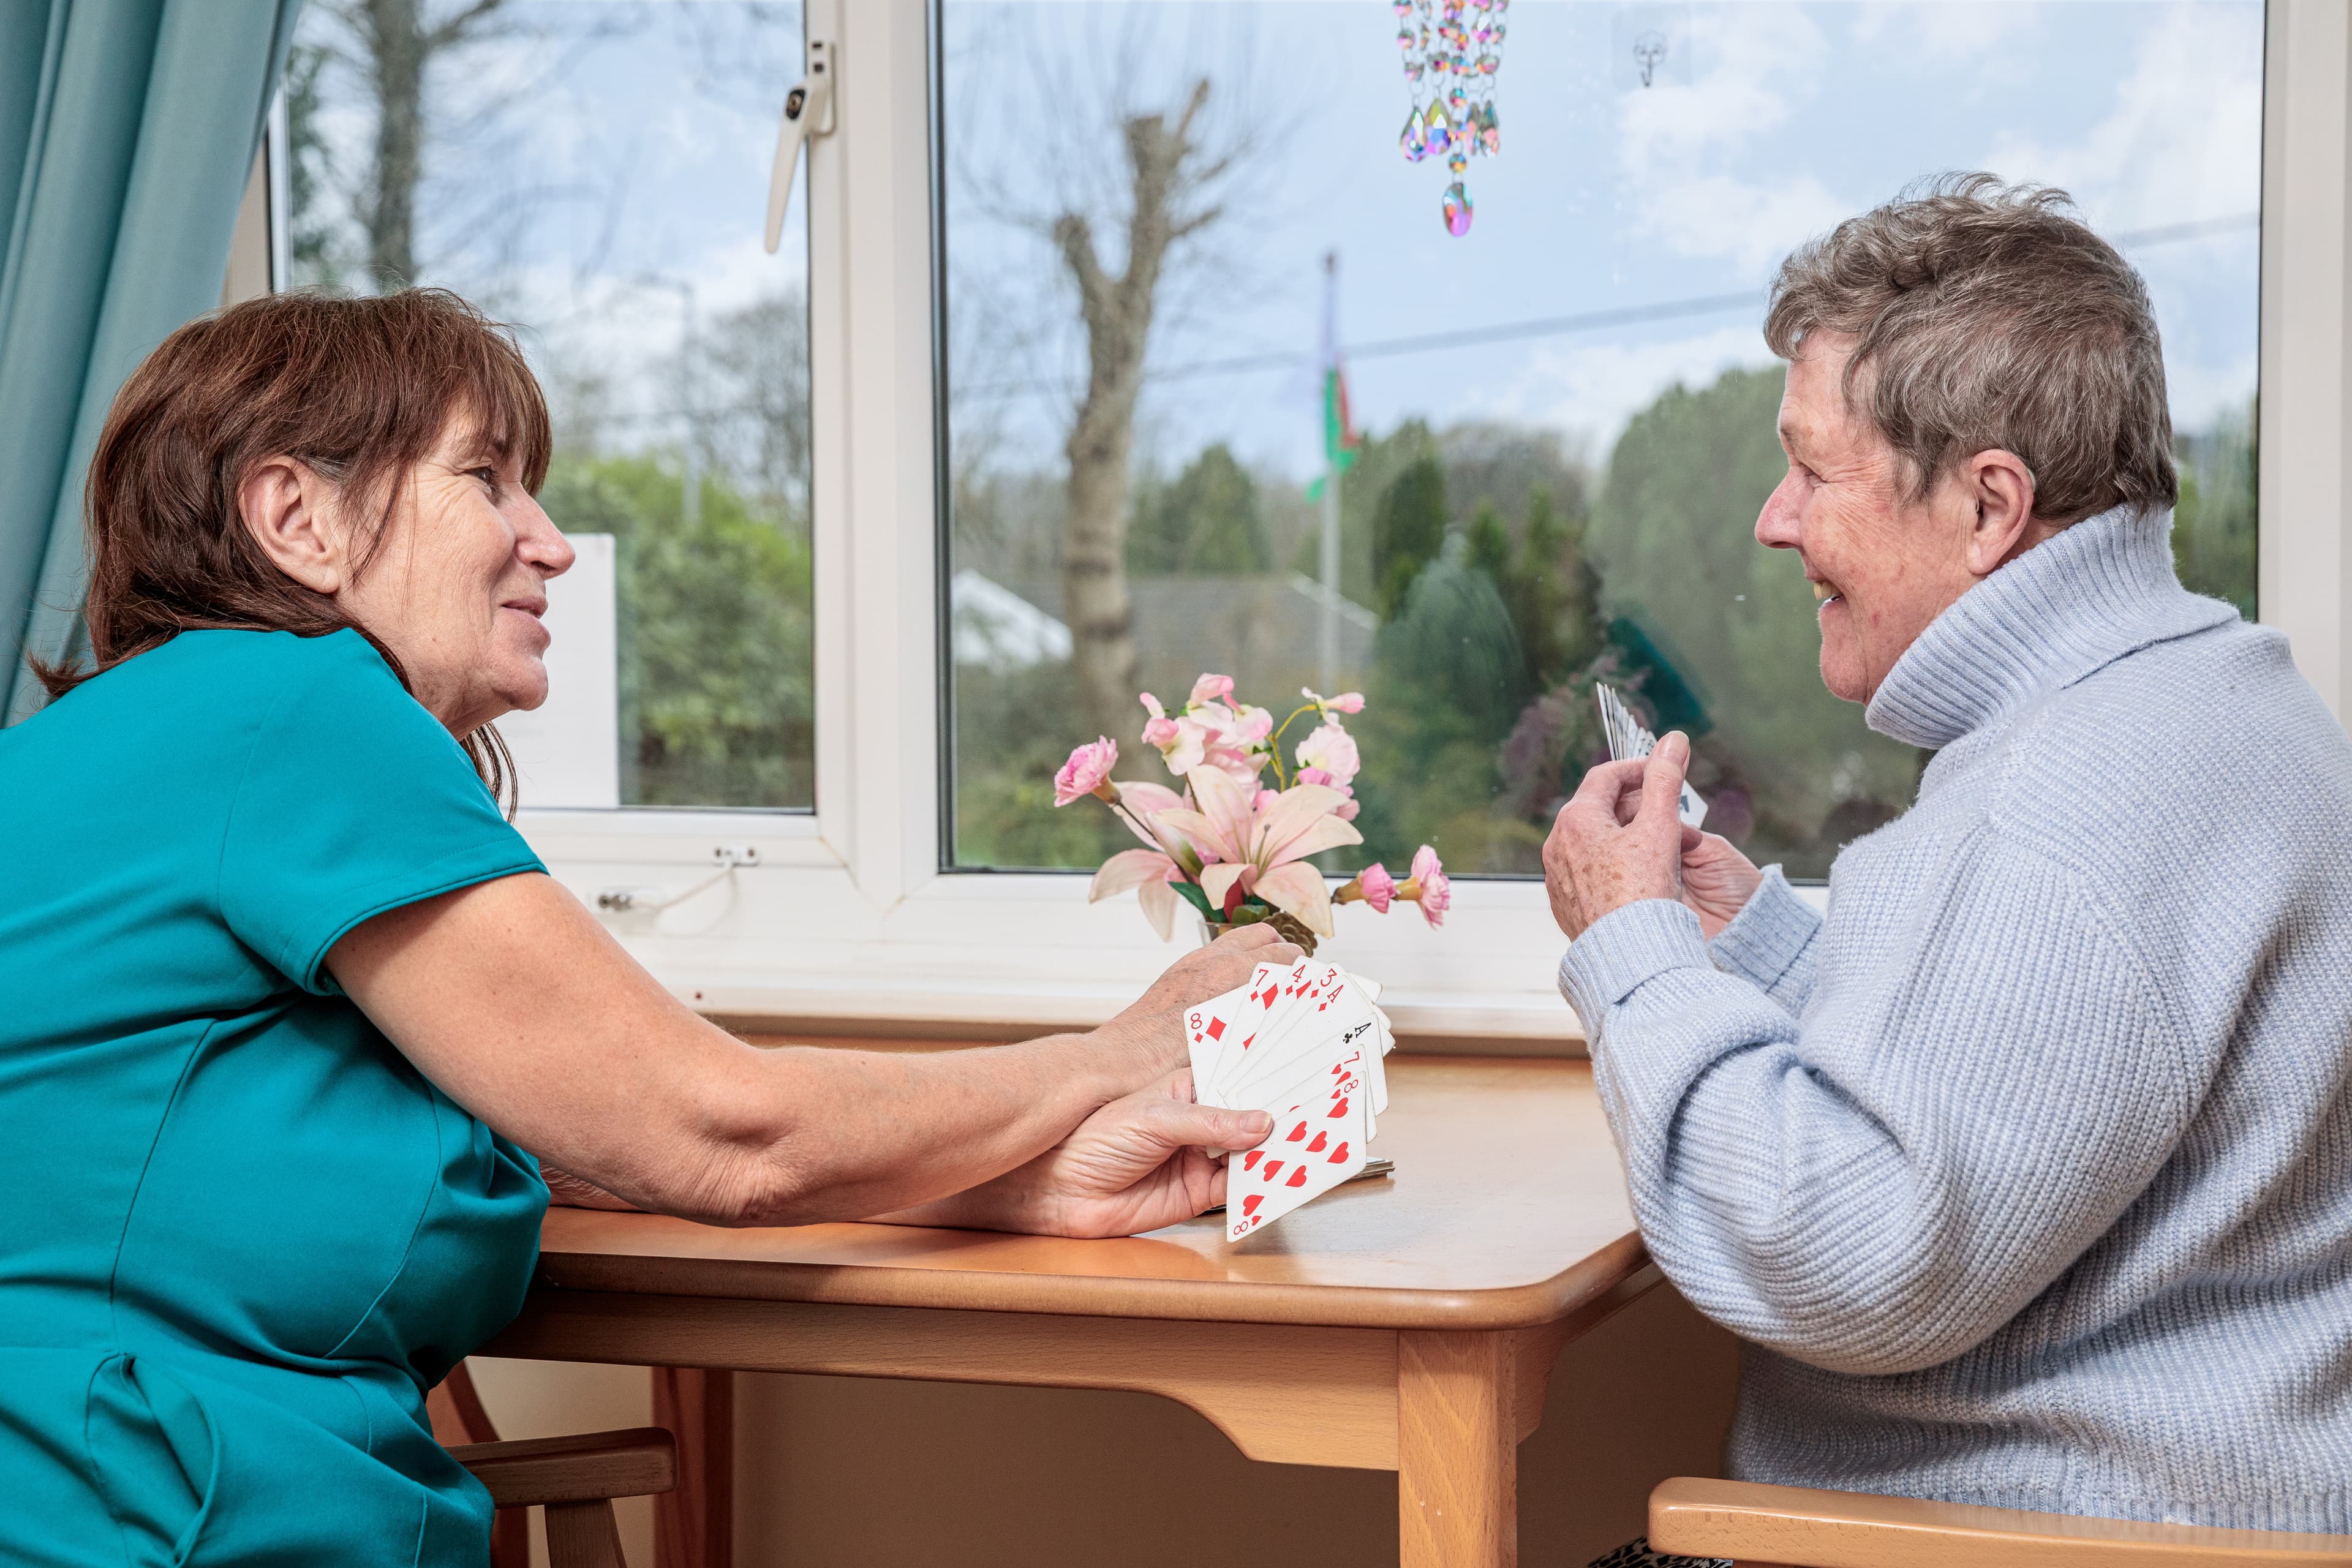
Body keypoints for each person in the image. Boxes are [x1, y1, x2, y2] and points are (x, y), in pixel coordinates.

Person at [0, 287, 1291, 1567]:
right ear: (299, 517)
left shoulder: (144, 745)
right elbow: (721, 1129)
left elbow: (581, 1132)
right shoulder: (293, 708)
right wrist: (1117, 1051)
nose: (551, 540)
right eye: (489, 478)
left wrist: (1030, 1181)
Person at [1544, 174, 2352, 1536]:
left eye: (1811, 469)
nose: (1772, 520)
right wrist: (1752, 941)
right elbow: (2029, 1071)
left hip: (2031, 1540)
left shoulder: (2057, 801)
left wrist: (1631, 952)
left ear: (1988, 508)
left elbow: (1838, 1249)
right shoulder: (2220, 699)